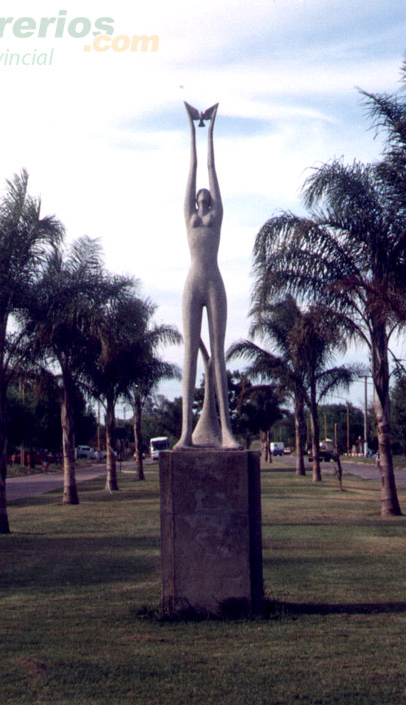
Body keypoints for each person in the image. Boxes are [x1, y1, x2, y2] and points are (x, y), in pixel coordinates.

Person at [175, 102, 239, 450]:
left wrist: (210, 131)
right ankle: (186, 433)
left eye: (205, 194)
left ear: (210, 200)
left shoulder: (216, 215)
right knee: (189, 353)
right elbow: (194, 167)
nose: (201, 194)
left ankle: (226, 431)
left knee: (218, 353)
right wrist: (191, 128)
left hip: (214, 280)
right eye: (198, 195)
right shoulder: (188, 216)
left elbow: (210, 167)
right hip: (193, 281)